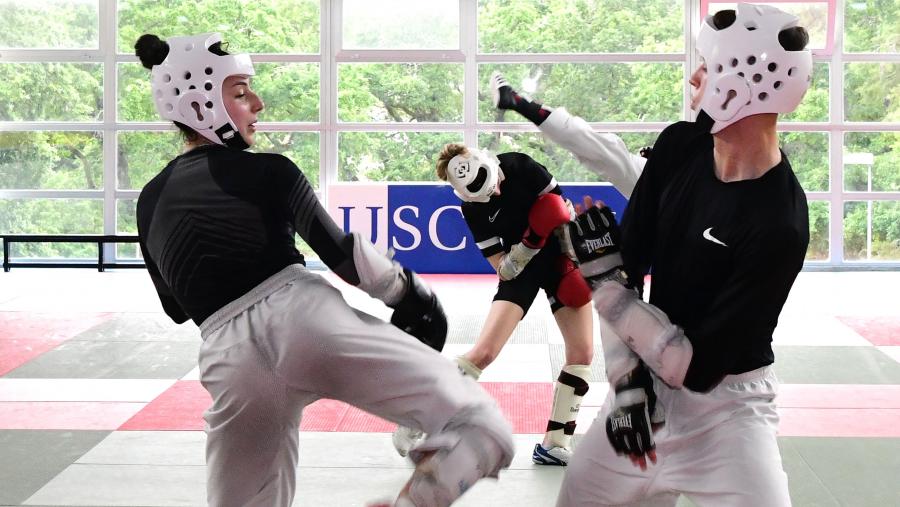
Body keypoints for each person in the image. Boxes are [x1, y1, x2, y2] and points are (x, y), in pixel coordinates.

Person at [134, 32, 514, 507]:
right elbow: (344, 257)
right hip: (304, 320)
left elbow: (175, 309)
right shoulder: (270, 171)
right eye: (239, 92)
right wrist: (412, 295)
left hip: (226, 359)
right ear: (199, 102)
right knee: (481, 426)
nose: (258, 102)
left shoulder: (148, 201)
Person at [494, 3, 811, 505]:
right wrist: (625, 384)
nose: (694, 78)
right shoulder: (681, 145)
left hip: (727, 414)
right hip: (642, 382)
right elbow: (625, 270)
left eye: (707, 67)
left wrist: (601, 277)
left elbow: (694, 366)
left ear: (740, 83)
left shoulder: (779, 223)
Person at [404, 142, 597, 467]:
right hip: (520, 269)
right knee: (483, 353)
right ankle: (418, 416)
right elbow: (502, 267)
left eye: (489, 185)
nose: (492, 195)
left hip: (559, 259)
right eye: (480, 194)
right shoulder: (472, 209)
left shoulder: (520, 165)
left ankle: (555, 443)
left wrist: (571, 258)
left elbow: (561, 209)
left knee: (582, 354)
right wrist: (531, 241)